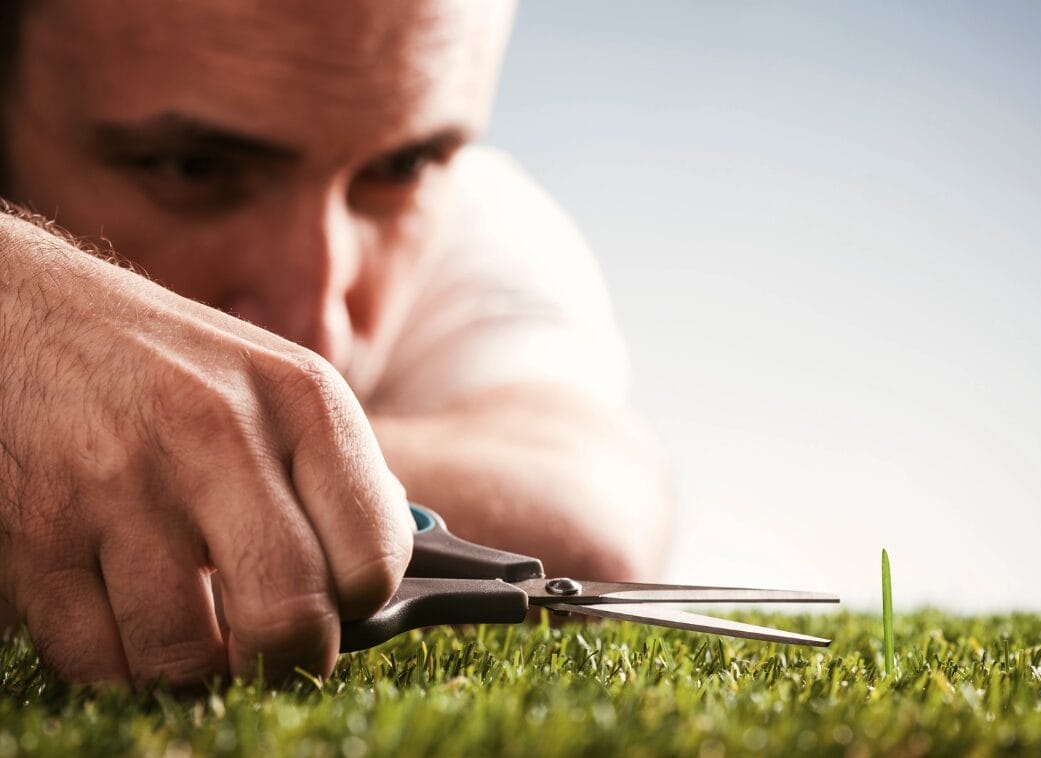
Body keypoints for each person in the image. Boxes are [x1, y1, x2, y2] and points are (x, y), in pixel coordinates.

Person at [0, 0, 671, 689]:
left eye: (405, 164)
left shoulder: (480, 219)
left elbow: (589, 519)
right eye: (191, 167)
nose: (321, 330)